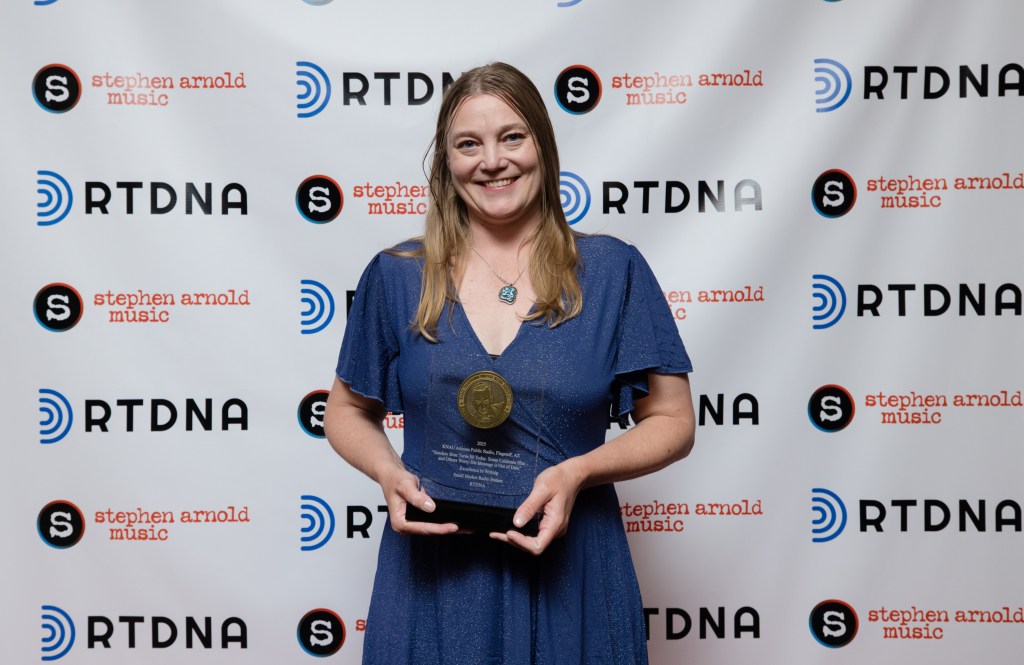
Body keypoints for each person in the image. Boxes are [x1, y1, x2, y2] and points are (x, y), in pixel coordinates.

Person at [324, 62, 695, 664]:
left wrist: (576, 474)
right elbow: (345, 411)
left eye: (512, 137)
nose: (492, 161)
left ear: (543, 147)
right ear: (447, 163)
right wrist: (388, 473)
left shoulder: (612, 271)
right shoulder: (397, 276)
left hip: (572, 574)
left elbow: (674, 421)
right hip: (433, 580)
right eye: (468, 144)